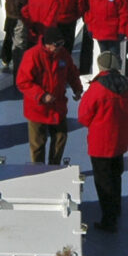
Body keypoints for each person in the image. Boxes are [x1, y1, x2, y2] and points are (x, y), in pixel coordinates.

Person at [77, 53, 128, 232]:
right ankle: (116, 207)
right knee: (116, 175)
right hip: (120, 141)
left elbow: (83, 116)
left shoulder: (97, 89)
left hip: (100, 142)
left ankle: (109, 220)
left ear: (101, 67)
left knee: (103, 181)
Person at [17, 27, 83, 166]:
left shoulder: (62, 54)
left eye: (61, 44)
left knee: (60, 137)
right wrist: (41, 95)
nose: (59, 47)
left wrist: (77, 88)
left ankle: (54, 166)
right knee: (38, 143)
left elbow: (71, 72)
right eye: (56, 45)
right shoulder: (32, 55)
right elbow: (23, 82)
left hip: (57, 105)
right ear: (47, 44)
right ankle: (38, 170)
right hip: (37, 107)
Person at [81, 0, 128, 72]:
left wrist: (121, 30)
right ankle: (106, 79)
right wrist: (89, 27)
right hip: (99, 32)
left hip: (113, 33)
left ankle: (116, 80)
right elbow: (90, 11)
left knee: (115, 58)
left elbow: (123, 13)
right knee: (104, 58)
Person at [0, 0, 38, 70]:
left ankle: (5, 60)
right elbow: (24, 0)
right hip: (19, 16)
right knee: (20, 41)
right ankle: (19, 67)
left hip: (10, 13)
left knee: (8, 37)